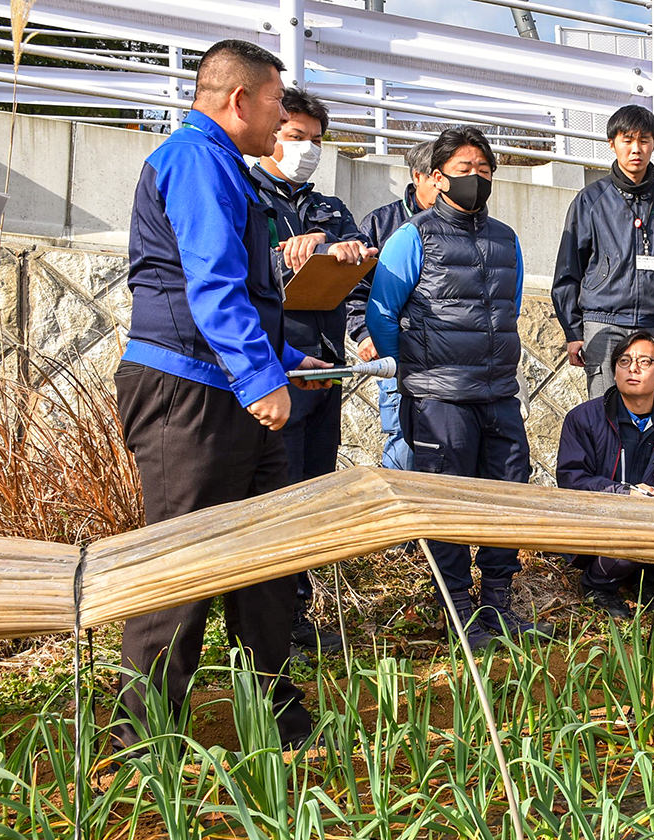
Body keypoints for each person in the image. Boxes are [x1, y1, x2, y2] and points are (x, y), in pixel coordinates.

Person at [112, 39, 332, 750]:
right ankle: (141, 744)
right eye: (276, 103)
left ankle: (277, 726)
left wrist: (280, 355)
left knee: (261, 565)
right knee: (182, 567)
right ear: (241, 99)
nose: (280, 120)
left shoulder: (225, 169)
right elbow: (209, 283)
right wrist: (260, 377)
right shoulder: (197, 159)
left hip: (222, 388)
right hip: (189, 394)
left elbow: (239, 284)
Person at [366, 126, 552, 649]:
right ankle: (458, 611)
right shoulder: (412, 235)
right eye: (464, 169)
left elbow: (509, 308)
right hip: (437, 395)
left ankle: (498, 605)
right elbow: (384, 313)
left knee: (507, 498)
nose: (475, 179)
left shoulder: (506, 238)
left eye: (484, 170)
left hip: (498, 392)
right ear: (438, 175)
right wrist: (410, 370)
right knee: (445, 502)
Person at [252, 89, 376, 656]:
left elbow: (356, 272)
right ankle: (267, 630)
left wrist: (348, 251)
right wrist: (287, 255)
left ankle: (299, 617)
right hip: (279, 369)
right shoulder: (250, 196)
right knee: (277, 495)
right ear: (271, 131)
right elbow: (246, 276)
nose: (306, 149)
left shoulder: (329, 206)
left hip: (327, 369)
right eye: (296, 136)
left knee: (313, 495)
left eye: (316, 141)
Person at [556, 330, 654, 618]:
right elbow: (571, 480)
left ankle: (649, 581)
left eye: (644, 362)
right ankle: (597, 584)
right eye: (624, 361)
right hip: (601, 525)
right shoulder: (583, 419)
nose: (633, 369)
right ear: (614, 371)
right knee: (630, 536)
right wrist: (626, 493)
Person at [552, 104, 654, 398]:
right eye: (627, 140)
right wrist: (573, 332)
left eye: (644, 141)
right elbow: (568, 270)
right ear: (612, 143)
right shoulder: (590, 201)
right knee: (603, 416)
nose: (636, 149)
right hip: (602, 323)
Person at [348, 140, 440, 472]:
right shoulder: (380, 224)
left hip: (451, 360)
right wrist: (364, 335)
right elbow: (354, 289)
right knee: (403, 443)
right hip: (398, 355)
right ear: (418, 176)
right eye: (438, 176)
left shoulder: (468, 225)